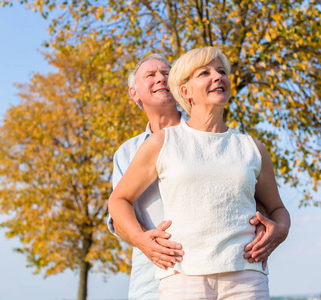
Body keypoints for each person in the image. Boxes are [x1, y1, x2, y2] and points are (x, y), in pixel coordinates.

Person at [108, 47, 291, 299]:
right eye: (151, 75)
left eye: (222, 71)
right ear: (185, 89)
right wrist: (143, 241)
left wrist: (277, 229)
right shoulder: (139, 149)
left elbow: (263, 205)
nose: (217, 76)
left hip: (243, 272)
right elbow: (118, 206)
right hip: (171, 272)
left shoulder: (249, 147)